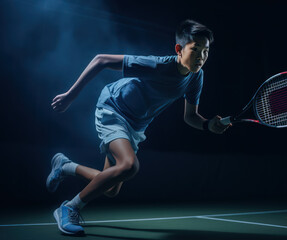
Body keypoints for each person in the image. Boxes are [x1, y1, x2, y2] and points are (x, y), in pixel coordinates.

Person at [47, 19, 230, 235]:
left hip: (134, 125)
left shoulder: (196, 77)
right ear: (179, 49)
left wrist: (209, 125)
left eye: (206, 51)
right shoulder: (158, 65)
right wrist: (71, 96)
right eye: (195, 49)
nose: (201, 57)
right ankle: (69, 208)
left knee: (112, 188)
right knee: (129, 165)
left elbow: (190, 117)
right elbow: (101, 60)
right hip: (113, 109)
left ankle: (65, 166)